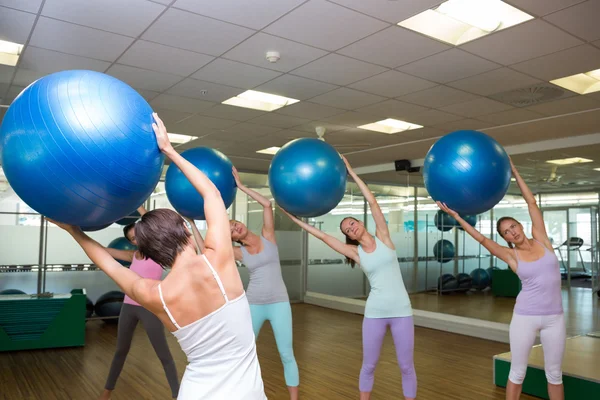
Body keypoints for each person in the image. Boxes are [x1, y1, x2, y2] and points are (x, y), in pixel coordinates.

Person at [52, 113, 266, 400]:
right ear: (186, 231)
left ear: (150, 252)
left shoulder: (155, 295)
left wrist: (74, 231)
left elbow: (106, 261)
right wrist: (168, 150)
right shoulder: (219, 263)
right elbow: (212, 195)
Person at [281, 156, 416, 400]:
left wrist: (351, 172)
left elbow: (372, 202)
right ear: (349, 237)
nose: (351, 228)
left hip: (402, 311)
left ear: (360, 223)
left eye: (352, 223)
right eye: (347, 230)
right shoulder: (355, 253)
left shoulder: (383, 237)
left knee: (406, 366)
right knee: (369, 365)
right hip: (375, 312)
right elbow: (323, 237)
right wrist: (295, 220)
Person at [437, 158, 565, 400]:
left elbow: (531, 202)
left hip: (554, 318)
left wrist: (515, 172)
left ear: (521, 226)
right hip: (525, 317)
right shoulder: (511, 255)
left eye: (513, 226)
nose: (512, 231)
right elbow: (482, 240)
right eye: (507, 232)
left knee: (555, 374)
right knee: (517, 372)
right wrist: (456, 216)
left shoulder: (542, 240)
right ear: (506, 238)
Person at [97, 206, 188, 400]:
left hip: (150, 308)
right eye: (132, 239)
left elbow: (152, 223)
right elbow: (103, 251)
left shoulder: (159, 253)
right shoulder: (132, 256)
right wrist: (74, 231)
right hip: (129, 307)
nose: (137, 240)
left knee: (163, 354)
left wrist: (138, 205)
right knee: (121, 350)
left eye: (138, 235)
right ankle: (106, 392)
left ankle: (177, 395)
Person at [230, 167, 299, 400]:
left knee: (286, 353)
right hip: (254, 304)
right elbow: (208, 248)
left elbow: (267, 205)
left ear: (241, 223)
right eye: (230, 230)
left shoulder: (268, 236)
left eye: (234, 223)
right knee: (245, 352)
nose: (235, 227)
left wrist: (241, 187)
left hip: (280, 302)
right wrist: (192, 223)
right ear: (233, 238)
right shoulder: (238, 253)